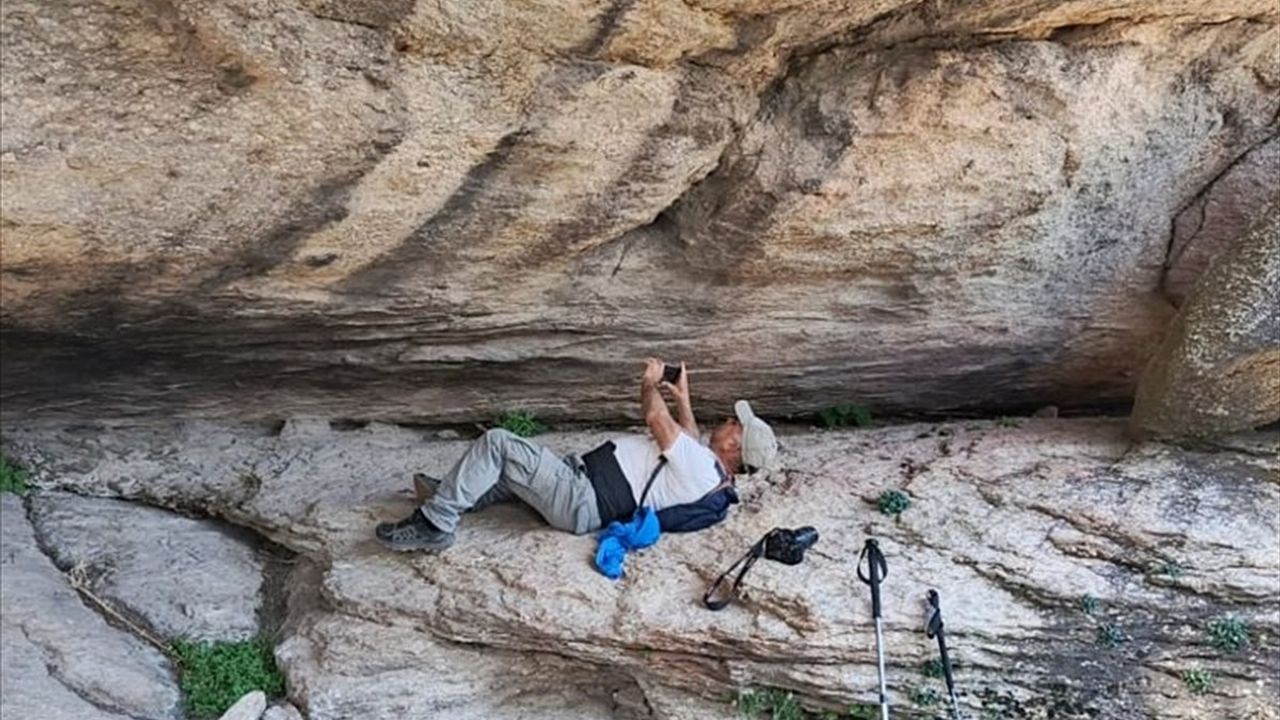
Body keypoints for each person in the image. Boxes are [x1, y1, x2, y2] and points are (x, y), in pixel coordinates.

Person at [376, 358, 779, 552]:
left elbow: (657, 419)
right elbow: (687, 437)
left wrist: (650, 385)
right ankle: (452, 493)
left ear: (733, 446)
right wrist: (684, 396)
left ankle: (436, 523)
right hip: (581, 487)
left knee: (499, 444)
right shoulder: (709, 473)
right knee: (511, 476)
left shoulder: (702, 470)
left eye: (734, 424)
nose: (727, 420)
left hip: (580, 499)